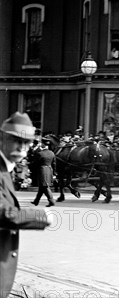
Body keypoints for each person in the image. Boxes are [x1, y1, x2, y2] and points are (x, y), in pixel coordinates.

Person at [1, 112, 52, 298]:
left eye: (27, 142)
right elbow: (3, 213)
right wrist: (40, 216)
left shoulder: (6, 168)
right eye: (16, 140)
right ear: (2, 138)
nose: (22, 146)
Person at [30, 137, 56, 207]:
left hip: (42, 171)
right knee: (42, 187)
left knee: (45, 187)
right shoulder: (52, 153)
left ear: (43, 144)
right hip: (49, 170)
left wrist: (30, 167)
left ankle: (51, 201)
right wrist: (54, 174)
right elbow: (54, 164)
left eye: (41, 143)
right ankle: (36, 201)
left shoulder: (40, 153)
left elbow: (35, 163)